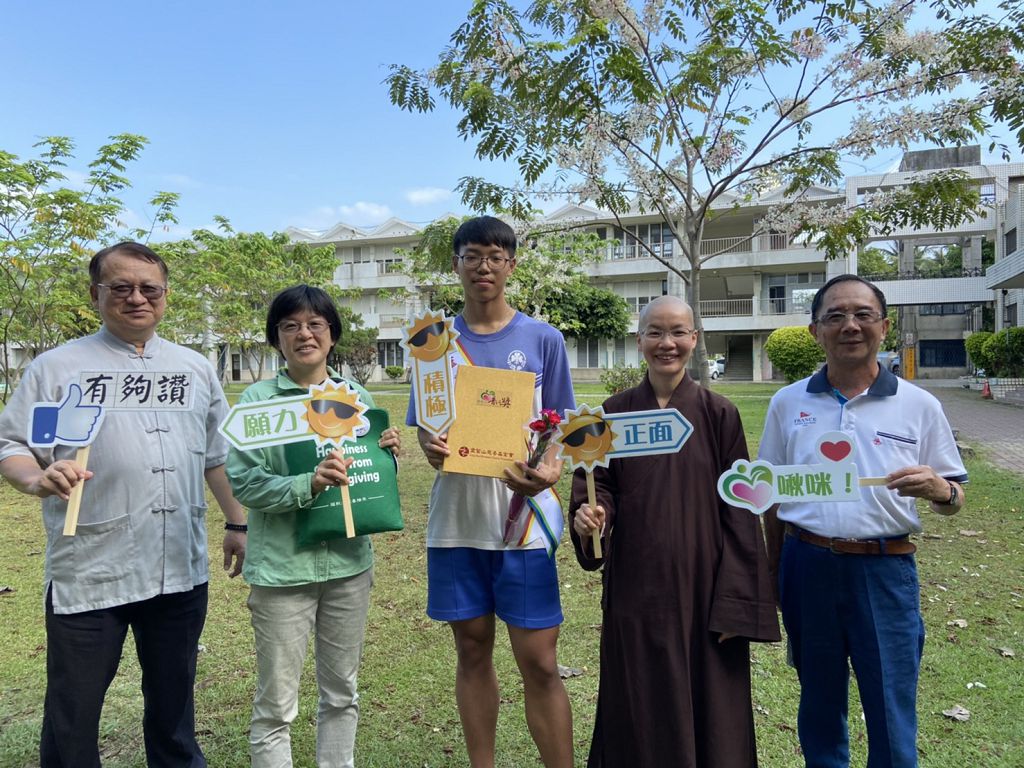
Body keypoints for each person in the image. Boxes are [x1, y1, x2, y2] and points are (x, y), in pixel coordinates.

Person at [0, 241, 246, 768]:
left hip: (178, 566)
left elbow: (216, 455)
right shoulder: (57, 367)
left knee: (174, 706)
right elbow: (12, 446)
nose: (137, 298)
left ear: (165, 295)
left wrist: (238, 522)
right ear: (96, 295)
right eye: (122, 287)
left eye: (149, 288)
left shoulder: (195, 368)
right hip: (92, 569)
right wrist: (38, 478)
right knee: (74, 712)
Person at [758, 274, 967, 768]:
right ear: (815, 331)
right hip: (807, 564)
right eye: (835, 316)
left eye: (862, 315)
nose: (849, 326)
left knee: (891, 706)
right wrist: (771, 574)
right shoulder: (788, 403)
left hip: (885, 569)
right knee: (819, 704)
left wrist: (941, 489)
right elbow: (770, 497)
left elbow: (954, 495)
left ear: (884, 326)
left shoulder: (919, 405)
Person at [569, 295, 780, 768]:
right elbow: (595, 487)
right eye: (656, 333)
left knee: (713, 705)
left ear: (694, 339)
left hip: (707, 590)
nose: (668, 343)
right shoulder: (613, 412)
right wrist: (590, 519)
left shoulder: (718, 413)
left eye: (678, 333)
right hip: (636, 588)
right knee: (638, 698)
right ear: (639, 340)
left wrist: (737, 602)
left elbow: (740, 508)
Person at [410, 216, 576, 768]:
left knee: (540, 661)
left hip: (522, 522)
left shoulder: (542, 339)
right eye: (473, 255)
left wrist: (551, 467)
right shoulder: (433, 344)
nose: (484, 266)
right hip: (456, 522)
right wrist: (429, 446)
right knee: (472, 650)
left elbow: (560, 425)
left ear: (511, 264)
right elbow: (425, 425)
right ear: (455, 263)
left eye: (495, 256)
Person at [225, 285, 400, 768]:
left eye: (315, 324)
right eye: (290, 326)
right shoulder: (259, 403)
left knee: (342, 694)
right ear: (276, 339)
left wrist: (385, 458)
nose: (304, 334)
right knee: (276, 706)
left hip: (348, 568)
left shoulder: (355, 395)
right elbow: (245, 484)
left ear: (332, 334)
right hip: (283, 572)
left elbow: (367, 482)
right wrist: (308, 484)